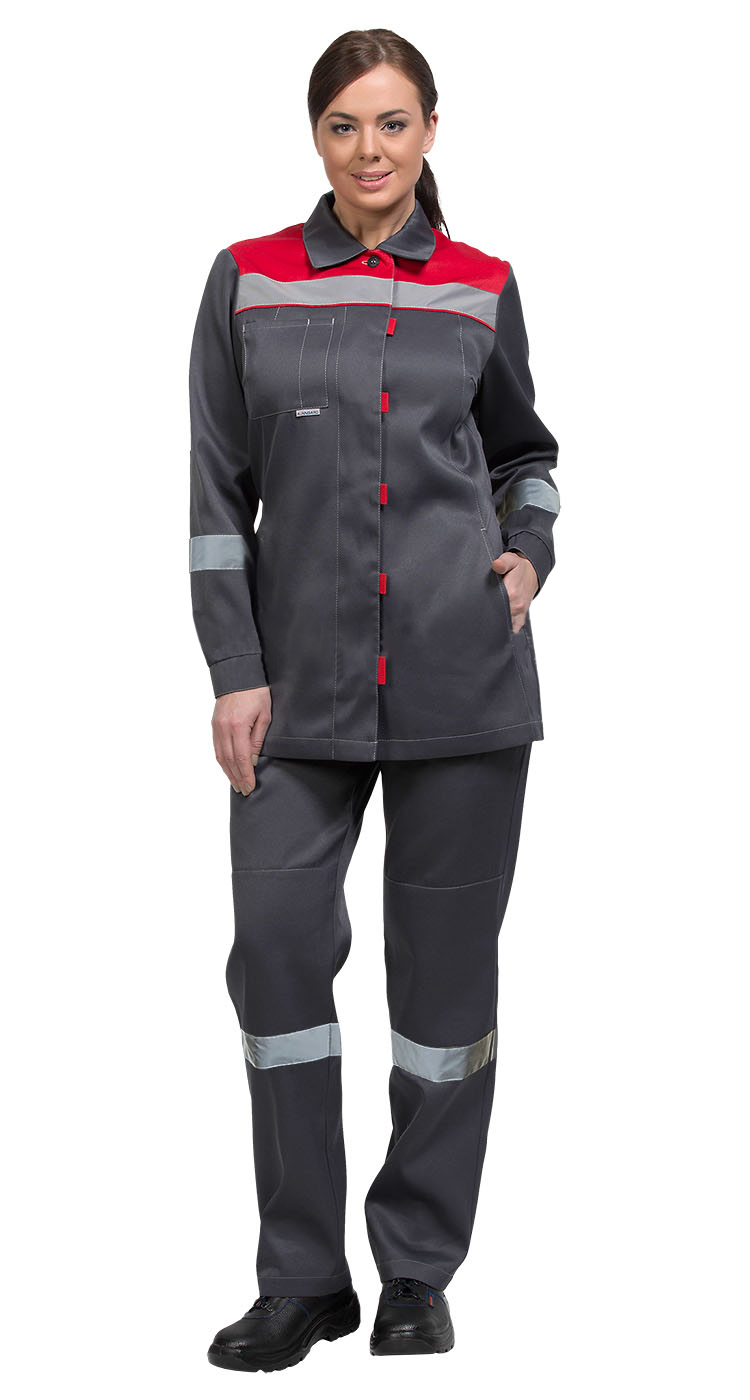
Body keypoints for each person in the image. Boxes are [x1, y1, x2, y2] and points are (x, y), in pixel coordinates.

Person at [188, 27, 560, 1373]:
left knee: (445, 995)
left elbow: (524, 453)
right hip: (296, 692)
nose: (369, 151)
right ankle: (302, 1279)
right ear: (316, 136)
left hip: (466, 680)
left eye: (392, 123)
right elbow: (216, 495)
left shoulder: (481, 284)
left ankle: (415, 1268)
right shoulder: (248, 279)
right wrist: (235, 670)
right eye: (344, 125)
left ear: (430, 131)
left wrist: (531, 547)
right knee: (278, 959)